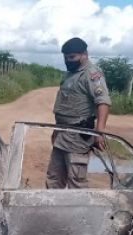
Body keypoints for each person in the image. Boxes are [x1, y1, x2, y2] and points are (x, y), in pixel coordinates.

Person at [46, 37, 111, 189]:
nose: (68, 61)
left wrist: (99, 132)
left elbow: (103, 102)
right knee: (54, 177)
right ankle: (54, 204)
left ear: (84, 54)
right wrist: (56, 129)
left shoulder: (92, 74)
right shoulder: (70, 74)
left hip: (78, 136)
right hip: (62, 133)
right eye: (65, 57)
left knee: (76, 181)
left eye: (72, 57)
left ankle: (78, 206)